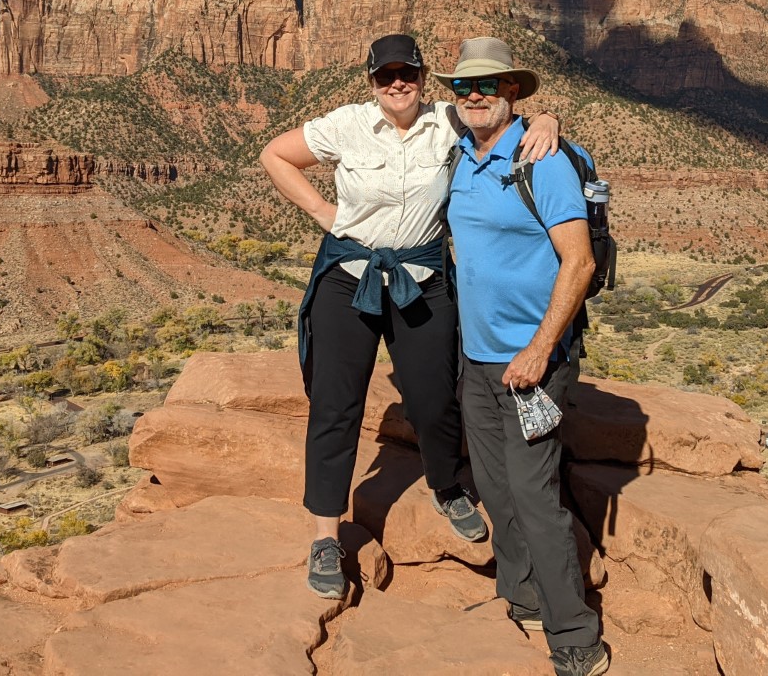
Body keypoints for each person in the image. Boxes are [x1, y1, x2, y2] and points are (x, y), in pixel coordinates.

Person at [259, 33, 559, 600]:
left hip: (420, 277)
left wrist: (547, 116)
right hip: (348, 276)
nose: (398, 83)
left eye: (409, 73)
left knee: (434, 398)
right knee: (335, 403)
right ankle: (326, 535)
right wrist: (324, 212)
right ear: (371, 82)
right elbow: (274, 153)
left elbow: (497, 112)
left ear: (424, 77)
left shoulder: (449, 119)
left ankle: (447, 487)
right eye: (385, 75)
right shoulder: (346, 124)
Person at [436, 36, 609, 676]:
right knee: (496, 485)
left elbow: (580, 261)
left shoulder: (545, 160)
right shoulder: (458, 153)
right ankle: (524, 598)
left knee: (536, 495)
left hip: (535, 364)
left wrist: (540, 349)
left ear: (513, 90)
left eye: (488, 84)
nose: (474, 95)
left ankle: (576, 637)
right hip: (477, 361)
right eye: (463, 87)